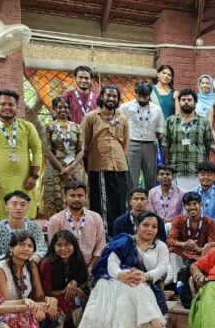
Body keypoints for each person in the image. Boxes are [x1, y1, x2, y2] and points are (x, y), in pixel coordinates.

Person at [75, 211, 169, 328]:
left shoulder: (160, 246)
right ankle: (150, 319)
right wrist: (121, 275)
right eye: (145, 225)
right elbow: (112, 263)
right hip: (111, 282)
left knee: (131, 290)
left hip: (144, 282)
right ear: (137, 226)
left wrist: (145, 276)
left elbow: (162, 267)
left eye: (154, 226)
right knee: (131, 285)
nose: (150, 229)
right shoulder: (124, 241)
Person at [0, 88, 42, 220]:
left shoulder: (28, 127)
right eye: (2, 104)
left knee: (25, 222)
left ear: (17, 106)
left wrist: (34, 176)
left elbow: (37, 150)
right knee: (0, 222)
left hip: (25, 183)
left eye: (11, 104)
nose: (7, 107)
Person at [82, 84, 130, 234]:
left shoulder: (122, 118)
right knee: (102, 204)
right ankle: (103, 235)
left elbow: (125, 143)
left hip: (120, 166)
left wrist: (119, 158)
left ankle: (119, 233)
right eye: (108, 95)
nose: (111, 98)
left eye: (114, 96)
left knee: (120, 202)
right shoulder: (90, 117)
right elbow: (84, 144)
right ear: (101, 97)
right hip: (99, 166)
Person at [38, 230, 89, 328]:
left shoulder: (78, 261)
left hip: (73, 297)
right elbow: (47, 290)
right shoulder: (47, 263)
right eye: (59, 245)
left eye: (67, 244)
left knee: (80, 305)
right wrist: (67, 290)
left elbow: (84, 282)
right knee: (60, 307)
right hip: (51, 297)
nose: (63, 248)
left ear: (73, 246)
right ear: (53, 247)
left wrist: (75, 286)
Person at [41, 96, 87, 217]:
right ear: (54, 109)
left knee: (76, 197)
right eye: (59, 107)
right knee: (55, 199)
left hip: (75, 168)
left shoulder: (77, 127)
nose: (63, 110)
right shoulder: (48, 126)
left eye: (66, 107)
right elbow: (47, 150)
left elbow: (81, 150)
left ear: (69, 110)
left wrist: (71, 168)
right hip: (55, 168)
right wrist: (62, 169)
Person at [163, 87, 215, 192]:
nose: (186, 102)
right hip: (176, 169)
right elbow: (165, 144)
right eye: (183, 100)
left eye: (189, 100)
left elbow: (210, 146)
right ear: (179, 102)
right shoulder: (170, 121)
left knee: (194, 204)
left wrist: (209, 169)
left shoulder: (204, 122)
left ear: (195, 103)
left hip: (197, 170)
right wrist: (168, 165)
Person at [46, 180, 106, 268]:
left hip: (92, 266)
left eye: (80, 195)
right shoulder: (56, 220)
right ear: (65, 197)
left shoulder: (95, 217)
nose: (76, 199)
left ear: (86, 197)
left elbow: (100, 247)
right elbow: (54, 248)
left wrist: (90, 269)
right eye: (72, 196)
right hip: (64, 267)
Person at [166, 191, 215, 284]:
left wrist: (198, 249)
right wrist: (184, 244)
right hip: (184, 251)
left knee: (213, 254)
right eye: (188, 204)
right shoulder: (178, 220)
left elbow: (213, 247)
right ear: (184, 206)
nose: (192, 207)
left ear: (200, 204)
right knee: (173, 250)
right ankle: (178, 282)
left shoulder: (211, 223)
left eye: (195, 204)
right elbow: (170, 240)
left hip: (201, 254)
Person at [119, 80, 163, 190]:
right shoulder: (125, 107)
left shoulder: (156, 109)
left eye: (145, 96)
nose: (143, 98)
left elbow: (159, 130)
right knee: (131, 178)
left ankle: (149, 205)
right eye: (140, 96)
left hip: (150, 145)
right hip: (132, 144)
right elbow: (119, 127)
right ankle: (131, 206)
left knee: (150, 177)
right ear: (135, 93)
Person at [0, 191, 47, 265]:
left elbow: (42, 249)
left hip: (29, 264)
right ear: (6, 207)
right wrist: (17, 259)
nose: (18, 208)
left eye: (23, 205)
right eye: (14, 204)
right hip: (2, 267)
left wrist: (36, 256)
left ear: (28, 208)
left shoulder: (35, 227)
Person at [192, 160, 215, 225]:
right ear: (198, 176)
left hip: (213, 230)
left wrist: (203, 228)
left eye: (209, 175)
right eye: (202, 174)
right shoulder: (191, 193)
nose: (205, 177)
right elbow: (186, 215)